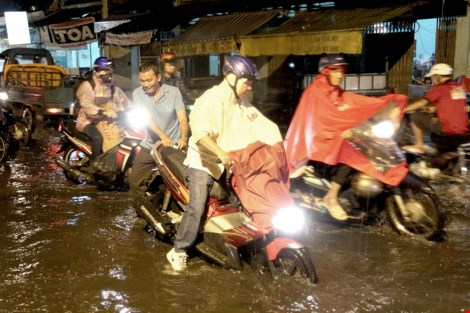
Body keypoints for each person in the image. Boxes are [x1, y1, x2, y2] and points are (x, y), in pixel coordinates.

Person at [166, 55, 265, 271]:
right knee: (198, 204)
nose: (249, 87)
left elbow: (256, 123)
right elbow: (200, 134)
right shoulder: (209, 100)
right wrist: (221, 153)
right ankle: (179, 250)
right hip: (202, 162)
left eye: (251, 83)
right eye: (247, 81)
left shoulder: (241, 101)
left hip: (227, 162)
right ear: (232, 77)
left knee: (248, 197)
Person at [284, 54, 408, 221]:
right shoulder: (314, 92)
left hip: (330, 137)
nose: (340, 74)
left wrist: (383, 105)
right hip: (317, 141)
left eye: (341, 71)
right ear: (325, 72)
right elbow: (319, 122)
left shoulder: (335, 91)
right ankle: (331, 197)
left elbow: (354, 103)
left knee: (362, 143)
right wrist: (338, 133)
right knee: (350, 150)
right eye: (335, 70)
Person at [129, 62, 189, 201]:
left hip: (173, 145)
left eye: (149, 80)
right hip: (151, 145)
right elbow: (147, 119)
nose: (146, 84)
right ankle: (143, 211)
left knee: (181, 181)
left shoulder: (174, 92)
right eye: (142, 81)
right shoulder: (137, 93)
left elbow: (183, 119)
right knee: (134, 179)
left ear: (158, 77)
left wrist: (184, 139)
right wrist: (162, 136)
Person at [402, 63, 468, 155]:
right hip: (463, 129)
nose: (432, 80)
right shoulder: (459, 87)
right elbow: (448, 106)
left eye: (432, 77)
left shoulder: (440, 88)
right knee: (431, 118)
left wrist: (402, 110)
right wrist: (428, 109)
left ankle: (419, 146)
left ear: (437, 76)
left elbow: (421, 103)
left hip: (448, 130)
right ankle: (435, 146)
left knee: (415, 116)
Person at [76, 56, 132, 160]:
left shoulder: (113, 88)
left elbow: (126, 101)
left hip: (106, 121)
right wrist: (102, 111)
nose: (108, 74)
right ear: (97, 71)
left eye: (109, 70)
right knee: (97, 138)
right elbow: (86, 105)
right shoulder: (88, 86)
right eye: (105, 70)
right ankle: (97, 166)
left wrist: (137, 108)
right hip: (88, 121)